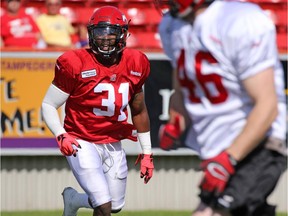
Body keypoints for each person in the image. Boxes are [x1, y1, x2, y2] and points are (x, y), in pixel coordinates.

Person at [157, 0, 287, 216]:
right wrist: (175, 122)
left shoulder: (238, 21)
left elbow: (267, 105)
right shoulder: (172, 26)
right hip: (220, 146)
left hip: (260, 142)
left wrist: (229, 158)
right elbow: (180, 86)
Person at [41, 6, 154, 216]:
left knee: (115, 206)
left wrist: (147, 152)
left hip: (112, 142)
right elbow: (48, 104)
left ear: (123, 34)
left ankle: (74, 200)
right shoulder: (74, 62)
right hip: (81, 139)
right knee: (103, 205)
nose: (105, 38)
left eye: (111, 32)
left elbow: (138, 110)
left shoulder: (136, 62)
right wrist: (61, 135)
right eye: (99, 32)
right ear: (91, 33)